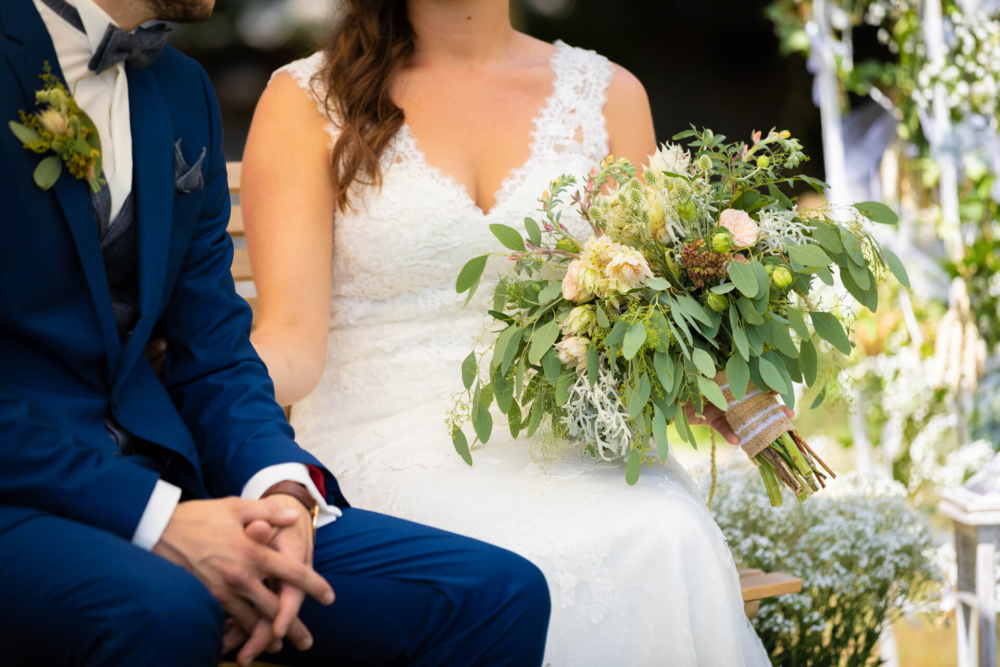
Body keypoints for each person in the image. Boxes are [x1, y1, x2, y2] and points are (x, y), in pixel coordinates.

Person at [0, 0, 552, 665]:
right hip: (20, 493)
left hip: (172, 482)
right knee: (169, 609)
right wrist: (156, 518)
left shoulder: (180, 90)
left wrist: (281, 490)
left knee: (495, 593)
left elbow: (216, 358)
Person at [242, 0, 787, 664]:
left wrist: (706, 368)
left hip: (567, 439)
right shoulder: (305, 101)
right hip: (384, 445)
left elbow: (645, 311)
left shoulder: (609, 94)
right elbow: (291, 341)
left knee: (665, 532)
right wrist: (192, 395)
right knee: (519, 554)